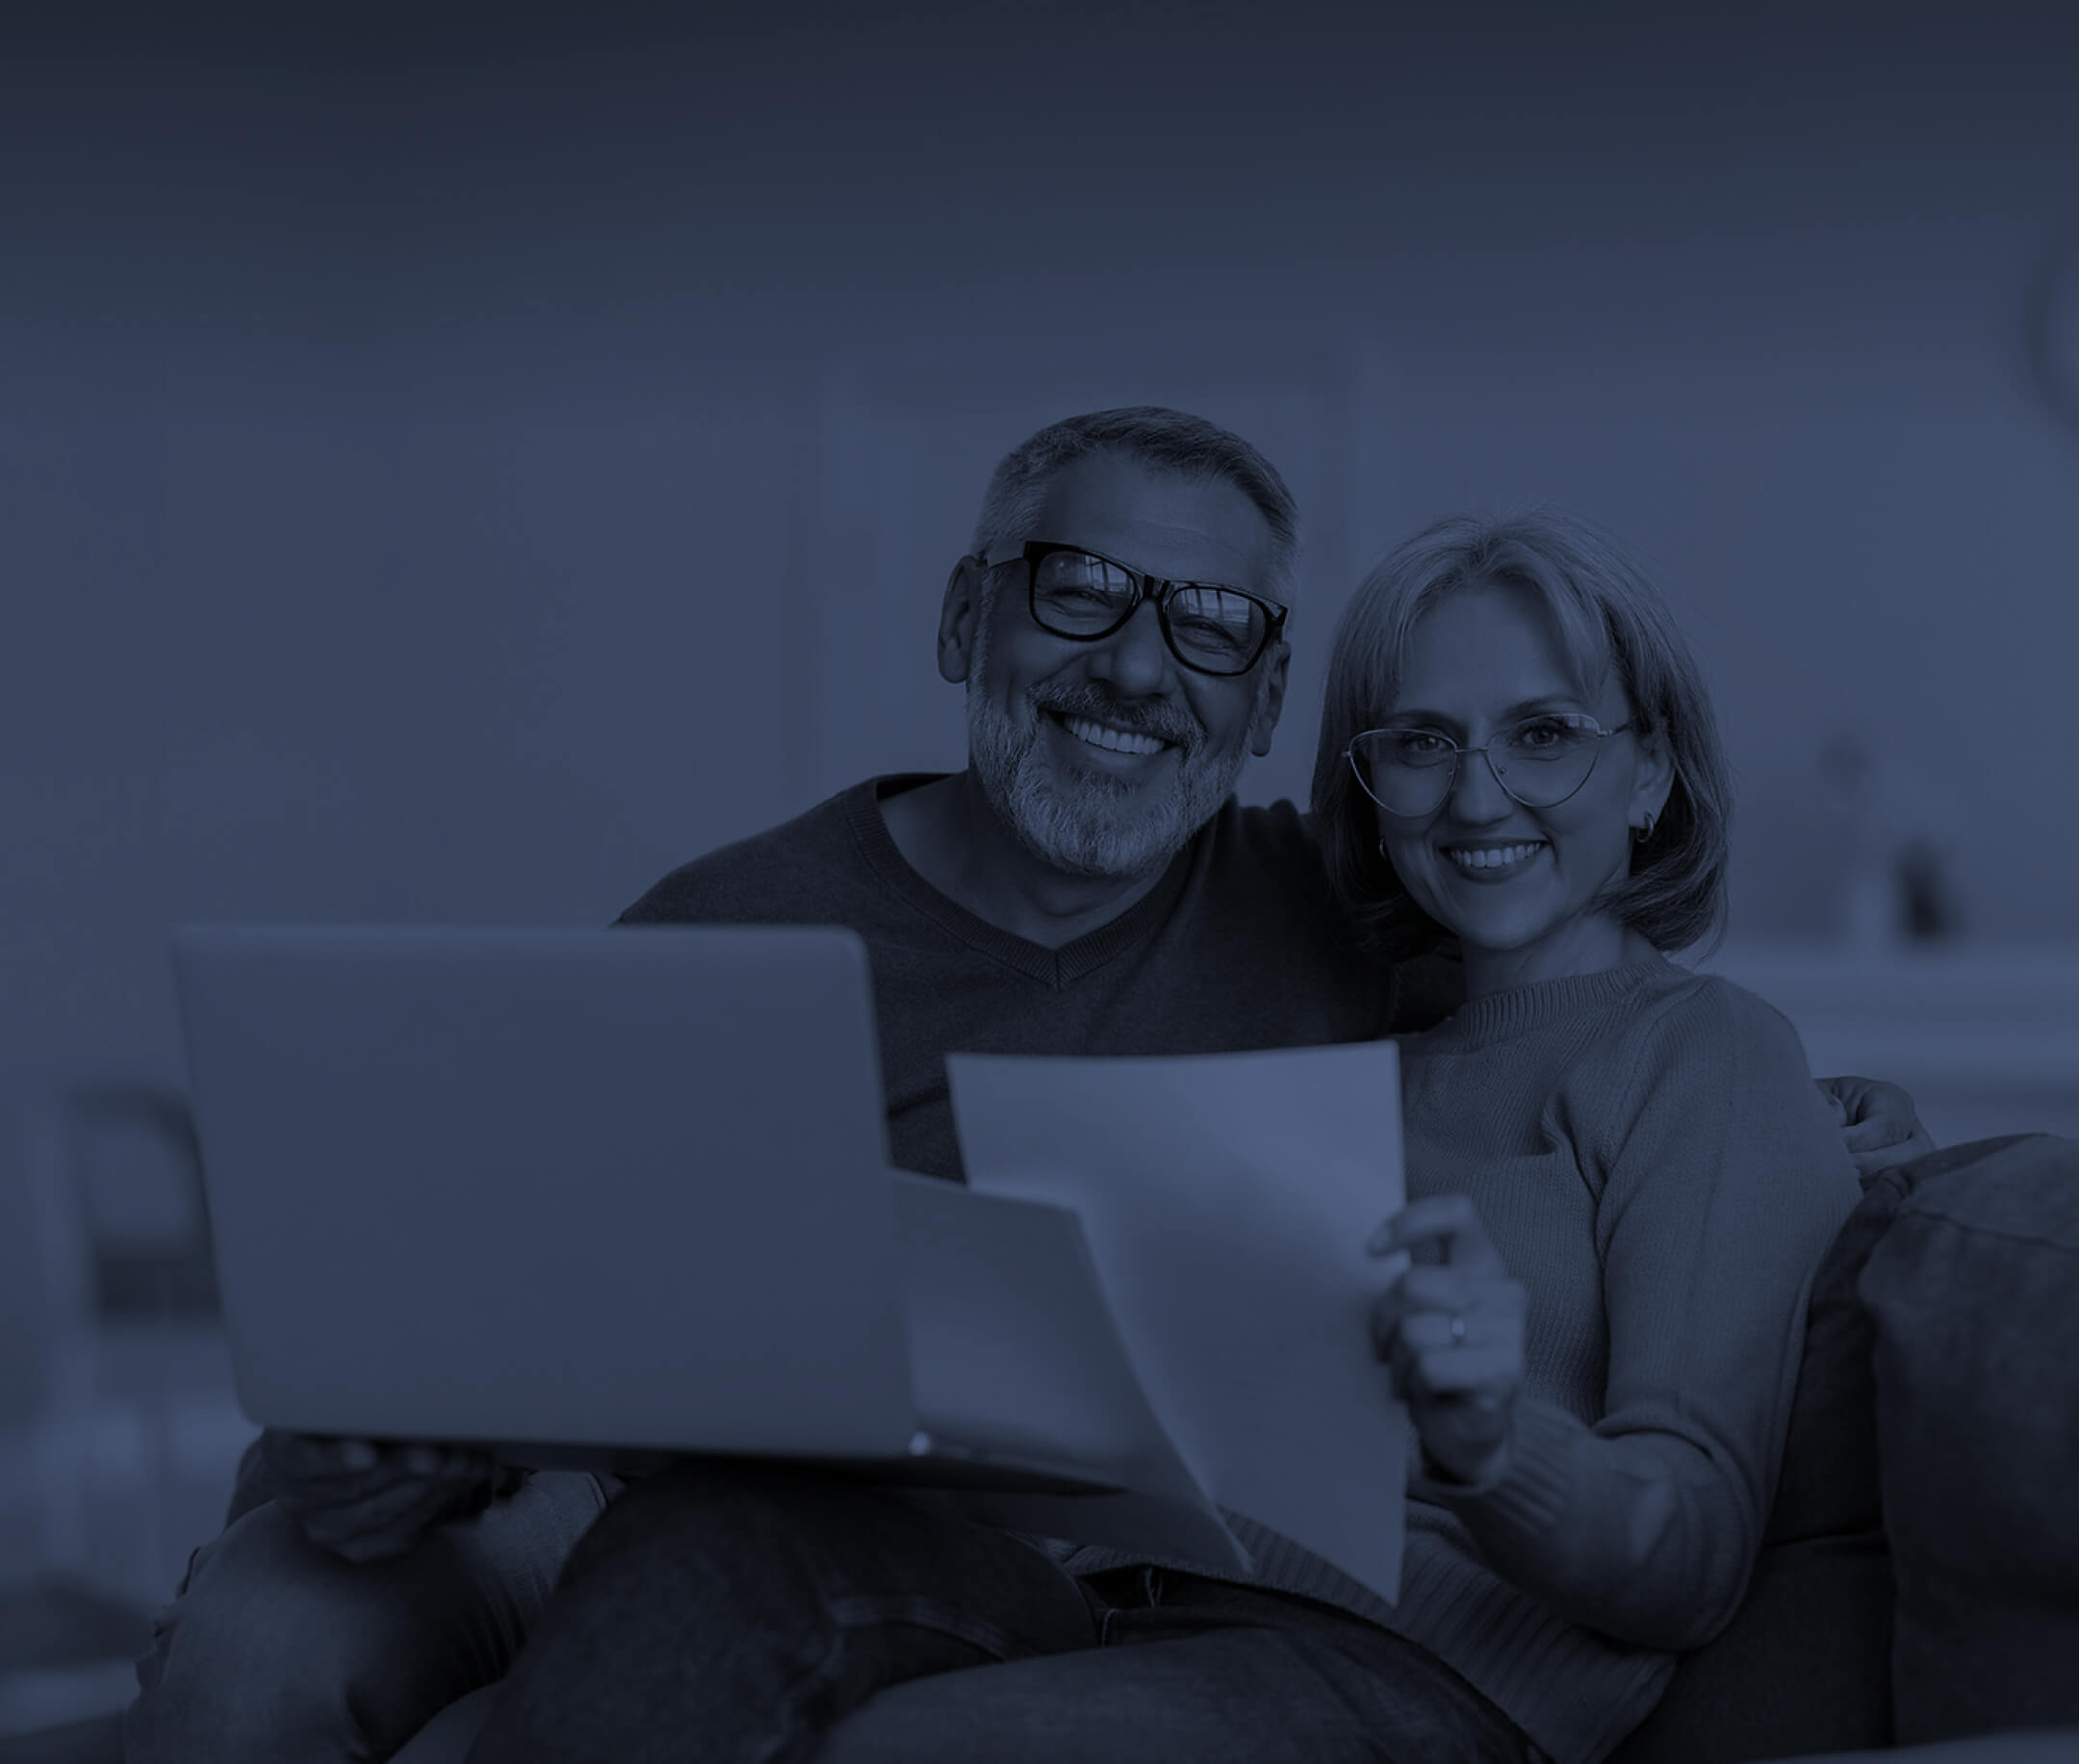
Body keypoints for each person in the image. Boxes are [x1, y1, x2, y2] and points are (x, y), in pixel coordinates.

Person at [123, 412, 1919, 1764]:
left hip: (1127, 1577)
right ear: (966, 621)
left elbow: (1617, 1051)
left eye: (1210, 622)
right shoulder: (735, 924)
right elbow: (465, 1307)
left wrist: (1814, 1131)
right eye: (1081, 593)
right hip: (663, 1486)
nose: (1139, 666)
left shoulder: (1345, 924)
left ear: (1264, 692)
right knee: (270, 1645)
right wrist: (363, 1472)